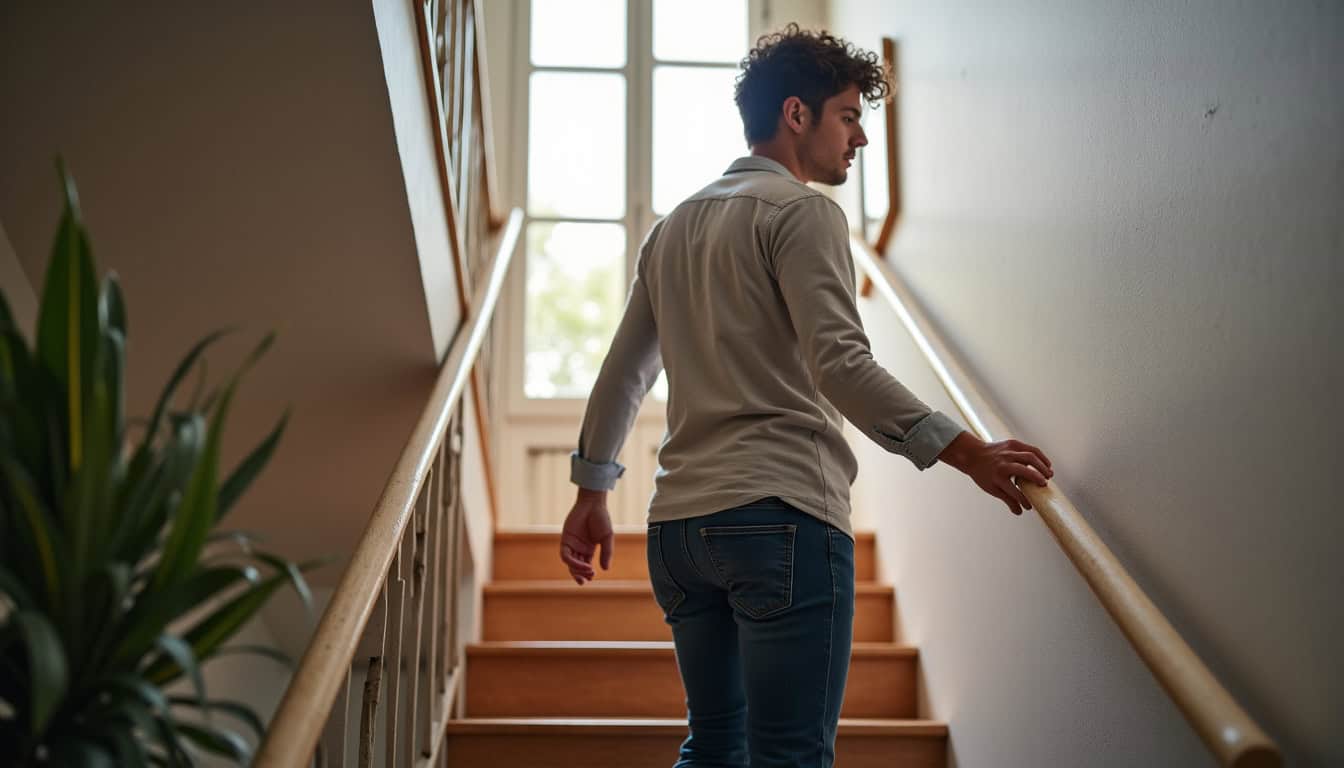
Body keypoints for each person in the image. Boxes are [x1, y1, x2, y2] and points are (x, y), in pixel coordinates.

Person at [558, 23, 1053, 768]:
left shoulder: (673, 230)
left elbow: (625, 369)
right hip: (780, 517)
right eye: (849, 116)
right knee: (790, 755)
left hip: (680, 530)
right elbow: (842, 365)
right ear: (797, 115)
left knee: (714, 745)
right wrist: (969, 452)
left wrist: (592, 491)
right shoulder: (804, 212)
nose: (858, 139)